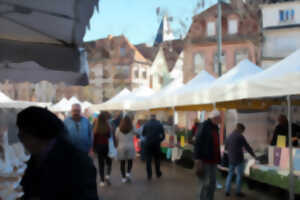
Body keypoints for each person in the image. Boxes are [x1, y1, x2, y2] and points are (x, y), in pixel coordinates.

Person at [17, 106, 98, 200]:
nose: (20, 139)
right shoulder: (38, 155)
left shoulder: (78, 163)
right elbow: (30, 189)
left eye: (22, 134)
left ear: (36, 134)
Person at [194, 110, 222, 200]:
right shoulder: (204, 126)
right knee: (204, 183)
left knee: (212, 183)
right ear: (215, 118)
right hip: (205, 160)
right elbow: (198, 142)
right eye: (219, 118)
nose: (221, 119)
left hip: (213, 160)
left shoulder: (215, 127)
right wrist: (198, 159)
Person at [225, 123, 256, 197]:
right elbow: (247, 146)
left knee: (230, 174)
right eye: (243, 131)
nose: (243, 132)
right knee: (239, 175)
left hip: (231, 158)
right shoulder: (240, 136)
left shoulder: (229, 135)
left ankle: (227, 191)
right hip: (239, 159)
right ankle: (238, 192)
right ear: (240, 129)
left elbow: (226, 146)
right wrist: (253, 155)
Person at [93, 112, 114, 187]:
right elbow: (109, 136)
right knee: (109, 161)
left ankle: (102, 181)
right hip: (106, 146)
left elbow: (94, 139)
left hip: (99, 147)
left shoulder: (96, 127)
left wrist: (94, 148)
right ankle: (107, 175)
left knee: (101, 164)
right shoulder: (107, 126)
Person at [142, 114, 165, 180]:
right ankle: (158, 173)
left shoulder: (146, 124)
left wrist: (148, 137)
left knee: (148, 160)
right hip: (156, 144)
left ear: (150, 117)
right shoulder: (159, 124)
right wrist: (160, 140)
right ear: (155, 117)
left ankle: (149, 175)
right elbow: (163, 135)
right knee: (157, 159)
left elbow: (143, 134)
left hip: (148, 143)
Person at [115, 115, 137, 183]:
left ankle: (123, 178)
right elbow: (136, 133)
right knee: (130, 161)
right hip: (130, 146)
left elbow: (116, 137)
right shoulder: (132, 128)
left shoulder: (118, 128)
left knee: (122, 162)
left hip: (121, 147)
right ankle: (128, 174)